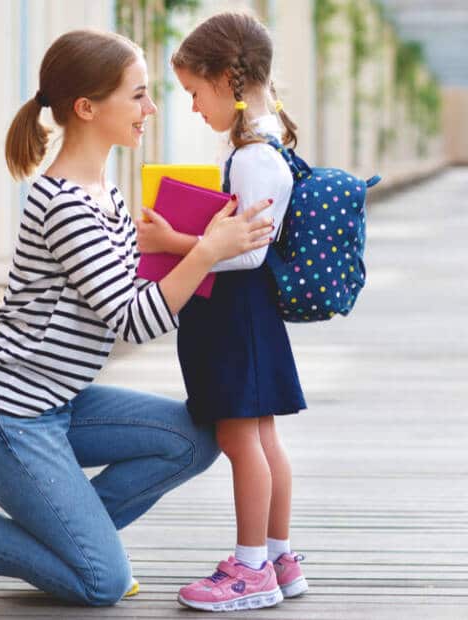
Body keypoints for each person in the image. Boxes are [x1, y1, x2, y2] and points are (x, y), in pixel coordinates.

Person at [0, 28, 275, 607]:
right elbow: (133, 320)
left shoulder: (103, 192)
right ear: (87, 108)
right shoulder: (64, 204)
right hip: (3, 418)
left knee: (195, 438)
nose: (152, 108)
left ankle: (72, 544)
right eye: (137, 95)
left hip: (58, 404)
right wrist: (208, 250)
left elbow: (129, 285)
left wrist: (187, 243)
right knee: (101, 583)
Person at [135, 11, 308, 612]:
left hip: (234, 319)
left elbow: (246, 254)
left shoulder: (253, 156)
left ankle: (252, 567)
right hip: (247, 320)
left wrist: (171, 244)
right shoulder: (265, 145)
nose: (191, 106)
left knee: (242, 442)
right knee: (262, 439)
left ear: (229, 80)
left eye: (194, 92)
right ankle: (278, 555)